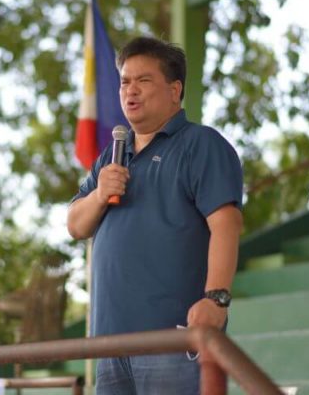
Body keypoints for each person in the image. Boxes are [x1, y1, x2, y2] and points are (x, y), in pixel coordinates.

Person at [66, 36, 243, 394]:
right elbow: (75, 224)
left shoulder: (201, 143)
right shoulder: (112, 154)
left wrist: (216, 299)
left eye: (143, 80)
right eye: (124, 82)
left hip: (172, 340)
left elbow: (226, 223)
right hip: (110, 344)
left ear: (175, 90)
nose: (131, 90)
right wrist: (100, 194)